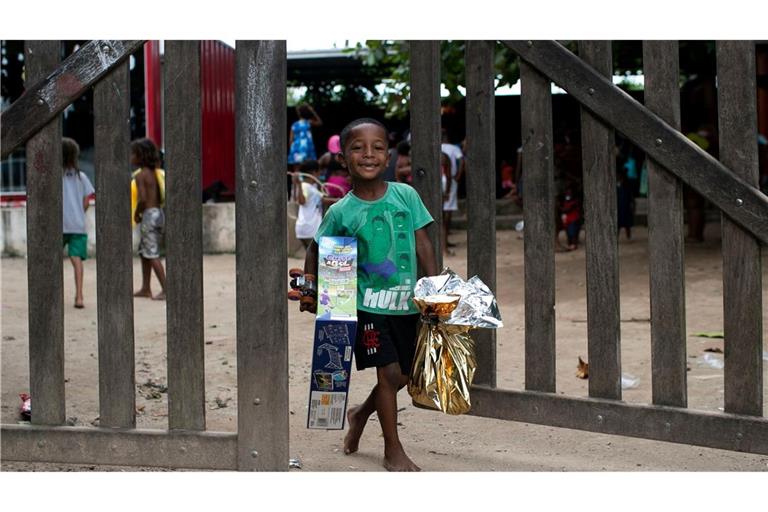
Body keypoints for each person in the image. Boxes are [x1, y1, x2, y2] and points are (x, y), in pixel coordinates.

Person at [300, 118, 438, 472]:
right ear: (343, 158)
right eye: (358, 148)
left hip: (407, 304)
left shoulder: (406, 196)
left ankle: (360, 414)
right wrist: (311, 285)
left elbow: (423, 242)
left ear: (388, 154)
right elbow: (317, 249)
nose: (368, 154)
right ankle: (393, 448)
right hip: (365, 306)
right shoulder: (341, 212)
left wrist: (435, 288)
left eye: (377, 147)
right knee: (387, 372)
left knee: (403, 376)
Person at [131, 138, 167, 301]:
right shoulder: (156, 173)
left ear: (140, 156)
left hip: (148, 216)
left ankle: (166, 288)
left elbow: (143, 199)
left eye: (133, 154)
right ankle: (146, 288)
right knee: (145, 251)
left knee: (151, 253)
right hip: (158, 214)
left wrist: (137, 213)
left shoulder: (140, 176)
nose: (131, 157)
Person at [61, 137, 94, 309]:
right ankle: (79, 296)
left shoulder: (54, 177)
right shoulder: (81, 177)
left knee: (51, 261)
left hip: (58, 225)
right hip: (78, 225)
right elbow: (87, 201)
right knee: (76, 260)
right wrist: (79, 213)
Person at [293, 159, 336, 248]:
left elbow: (324, 199)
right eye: (319, 171)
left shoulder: (312, 187)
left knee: (311, 258)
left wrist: (339, 200)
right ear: (314, 172)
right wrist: (298, 184)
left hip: (308, 229)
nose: (320, 173)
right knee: (315, 258)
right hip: (310, 228)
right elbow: (301, 201)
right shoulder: (304, 186)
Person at [288, 103, 322, 197]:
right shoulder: (308, 122)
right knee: (310, 170)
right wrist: (312, 111)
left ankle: (294, 195)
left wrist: (293, 152)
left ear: (299, 113)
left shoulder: (294, 125)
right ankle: (309, 194)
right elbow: (319, 122)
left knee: (296, 172)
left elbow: (291, 140)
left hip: (296, 150)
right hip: (307, 149)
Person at [441, 130, 463, 243]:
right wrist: (458, 175)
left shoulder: (435, 148)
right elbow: (462, 160)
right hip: (449, 181)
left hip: (437, 181)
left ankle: (442, 241)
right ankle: (445, 239)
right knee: (448, 209)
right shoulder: (454, 149)